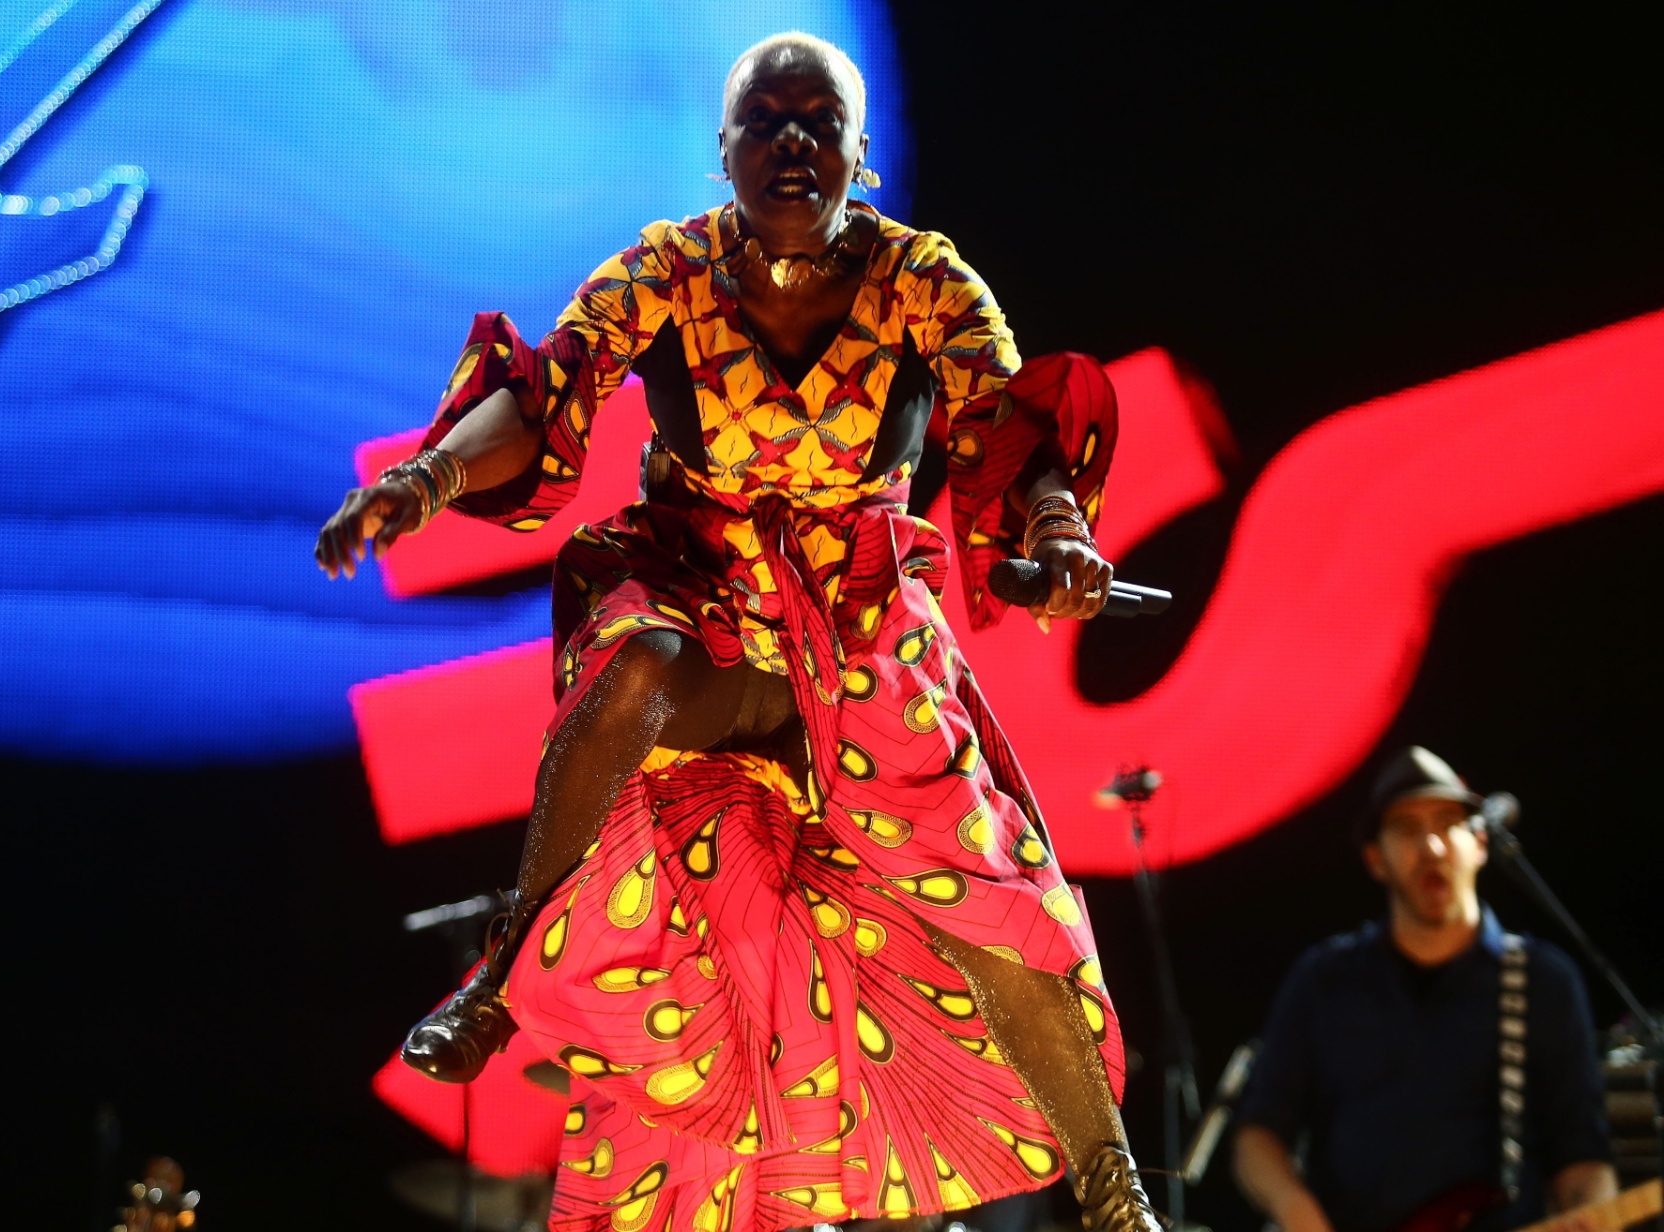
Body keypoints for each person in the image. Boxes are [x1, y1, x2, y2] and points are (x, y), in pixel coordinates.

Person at [318, 32, 1158, 1232]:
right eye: (765, 121)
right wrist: (428, 478)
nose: (793, 143)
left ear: (862, 154)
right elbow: (550, 387)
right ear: (722, 149)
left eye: (820, 122)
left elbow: (1007, 434)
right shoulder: (668, 267)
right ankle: (505, 976)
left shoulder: (927, 281)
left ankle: (1113, 1184)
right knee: (635, 671)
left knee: (985, 885)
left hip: (859, 626)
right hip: (700, 595)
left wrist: (1062, 532)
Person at [1232, 746, 1617, 1232]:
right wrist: (1295, 1210)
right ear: (1376, 858)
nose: (1431, 847)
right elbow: (1257, 1137)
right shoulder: (1324, 978)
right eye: (1407, 829)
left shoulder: (1543, 980)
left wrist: (1595, 1210)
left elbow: (1580, 1153)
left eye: (1446, 823)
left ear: (1479, 844)